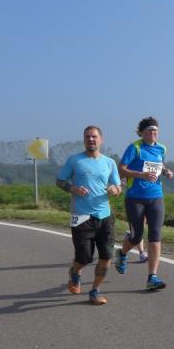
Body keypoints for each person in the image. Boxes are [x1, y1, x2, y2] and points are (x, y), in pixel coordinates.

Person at [56, 125, 122, 305]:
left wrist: (114, 189)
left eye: (94, 136)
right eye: (87, 137)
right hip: (81, 217)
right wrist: (72, 188)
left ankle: (95, 291)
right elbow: (59, 181)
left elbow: (118, 187)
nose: (91, 139)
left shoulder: (109, 162)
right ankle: (75, 272)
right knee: (84, 258)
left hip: (105, 216)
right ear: (84, 140)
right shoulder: (75, 160)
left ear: (101, 139)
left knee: (106, 256)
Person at [114, 117, 173, 290]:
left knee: (155, 235)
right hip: (135, 198)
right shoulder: (135, 148)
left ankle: (152, 277)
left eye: (155, 130)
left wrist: (166, 171)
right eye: (149, 130)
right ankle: (122, 253)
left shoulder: (161, 148)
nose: (153, 133)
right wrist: (141, 175)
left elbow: (159, 164)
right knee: (136, 236)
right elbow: (121, 169)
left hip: (156, 196)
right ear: (142, 132)